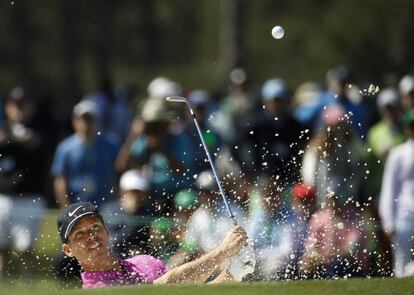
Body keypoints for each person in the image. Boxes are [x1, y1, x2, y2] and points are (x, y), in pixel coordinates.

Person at [57, 202, 248, 288]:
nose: (91, 236)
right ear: (68, 250)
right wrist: (222, 252)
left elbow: (189, 291)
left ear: (107, 232)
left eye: (95, 228)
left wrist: (233, 273)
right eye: (80, 234)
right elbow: (161, 290)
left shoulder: (145, 261)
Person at [51, 100, 119, 209]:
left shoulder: (111, 145)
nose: (87, 124)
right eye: (84, 119)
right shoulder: (65, 148)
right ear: (75, 121)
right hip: (76, 205)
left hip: (105, 206)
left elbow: (118, 173)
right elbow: (60, 180)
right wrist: (66, 208)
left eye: (91, 120)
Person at [379, 109, 414, 277]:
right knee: (402, 265)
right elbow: (389, 188)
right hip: (405, 215)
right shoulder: (398, 154)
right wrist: (389, 220)